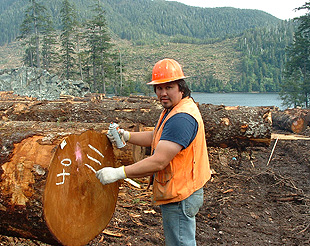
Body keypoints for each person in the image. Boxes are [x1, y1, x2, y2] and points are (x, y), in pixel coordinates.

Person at [96, 58, 211, 246]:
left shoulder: (181, 118)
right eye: (159, 88)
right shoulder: (174, 108)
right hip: (183, 189)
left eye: (169, 87)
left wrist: (118, 173)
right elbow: (157, 137)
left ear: (181, 87)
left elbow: (158, 161)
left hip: (182, 194)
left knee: (181, 243)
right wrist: (126, 135)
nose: (163, 93)